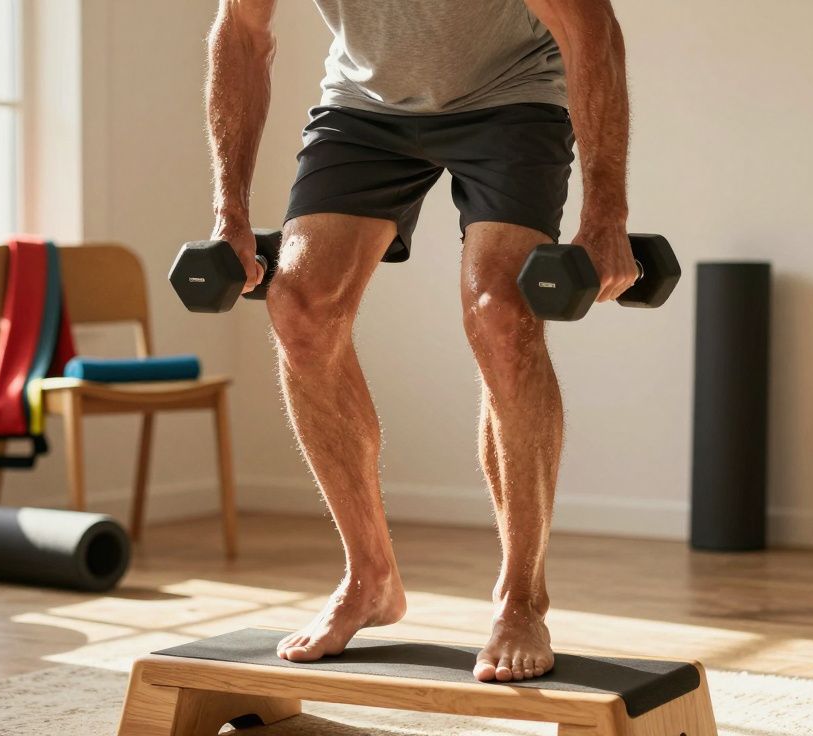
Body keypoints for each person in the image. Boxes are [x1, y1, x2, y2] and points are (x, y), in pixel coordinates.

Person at [205, 0, 636, 683]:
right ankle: (369, 576)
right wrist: (230, 209)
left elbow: (590, 28)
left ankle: (521, 597)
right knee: (298, 304)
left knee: (502, 315)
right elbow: (243, 34)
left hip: (511, 94)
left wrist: (606, 211)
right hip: (362, 107)